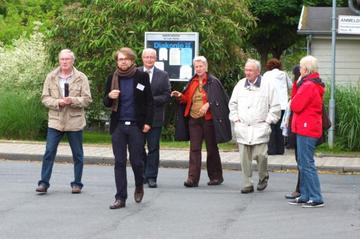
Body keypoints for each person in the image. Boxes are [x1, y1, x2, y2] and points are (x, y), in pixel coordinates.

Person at [36, 49, 92, 194]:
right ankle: (44, 183)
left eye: (67, 59)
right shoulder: (51, 76)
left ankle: (77, 183)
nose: (65, 62)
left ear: (73, 61)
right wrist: (57, 102)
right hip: (56, 120)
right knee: (49, 151)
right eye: (62, 59)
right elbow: (44, 98)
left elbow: (87, 99)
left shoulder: (81, 77)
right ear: (59, 61)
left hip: (74, 121)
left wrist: (72, 100)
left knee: (77, 154)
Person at [103, 47, 153, 209]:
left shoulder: (141, 76)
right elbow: (105, 102)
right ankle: (120, 197)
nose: (123, 61)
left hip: (136, 126)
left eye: (126, 59)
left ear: (132, 60)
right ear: (117, 61)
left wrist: (147, 123)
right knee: (119, 162)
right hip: (118, 125)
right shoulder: (112, 77)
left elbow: (149, 101)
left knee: (137, 161)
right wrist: (110, 97)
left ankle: (139, 185)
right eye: (120, 59)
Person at [171, 56, 232, 187]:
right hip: (194, 119)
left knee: (211, 149)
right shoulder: (192, 81)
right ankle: (192, 179)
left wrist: (208, 104)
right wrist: (180, 96)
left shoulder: (213, 81)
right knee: (194, 149)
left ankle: (216, 177)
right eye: (196, 66)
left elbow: (220, 99)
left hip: (209, 120)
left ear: (206, 67)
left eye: (201, 66)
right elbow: (187, 99)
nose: (198, 69)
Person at [229, 59, 280, 194]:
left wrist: (268, 121)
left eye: (250, 70)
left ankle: (263, 176)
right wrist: (236, 119)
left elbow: (275, 106)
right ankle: (247, 183)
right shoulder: (240, 85)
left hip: (260, 127)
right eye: (246, 70)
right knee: (244, 159)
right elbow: (232, 104)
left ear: (258, 71)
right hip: (243, 127)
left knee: (261, 155)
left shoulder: (268, 85)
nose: (247, 73)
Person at [288, 55, 325, 208]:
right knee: (303, 163)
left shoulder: (308, 85)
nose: (300, 69)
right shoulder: (311, 83)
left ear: (306, 69)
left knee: (307, 163)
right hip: (307, 126)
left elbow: (295, 105)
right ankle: (305, 195)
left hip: (306, 127)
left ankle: (316, 197)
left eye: (301, 67)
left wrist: (297, 85)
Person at [138, 48, 171, 188]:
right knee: (138, 148)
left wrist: (151, 100)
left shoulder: (162, 75)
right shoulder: (136, 73)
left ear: (155, 58)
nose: (149, 59)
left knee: (153, 148)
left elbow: (167, 95)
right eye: (146, 57)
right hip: (138, 118)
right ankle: (144, 173)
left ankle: (152, 177)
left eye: (152, 57)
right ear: (142, 58)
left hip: (155, 118)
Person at [263, 58, 292, 155]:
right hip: (282, 105)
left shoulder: (266, 75)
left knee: (271, 126)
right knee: (280, 127)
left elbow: (263, 87)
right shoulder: (284, 74)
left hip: (271, 104)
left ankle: (272, 150)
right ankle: (280, 150)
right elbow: (291, 85)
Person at [284, 65, 301, 199]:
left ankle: (301, 189)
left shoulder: (302, 85)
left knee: (303, 161)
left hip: (301, 128)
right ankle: (301, 189)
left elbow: (295, 105)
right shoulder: (299, 84)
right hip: (299, 127)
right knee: (302, 161)